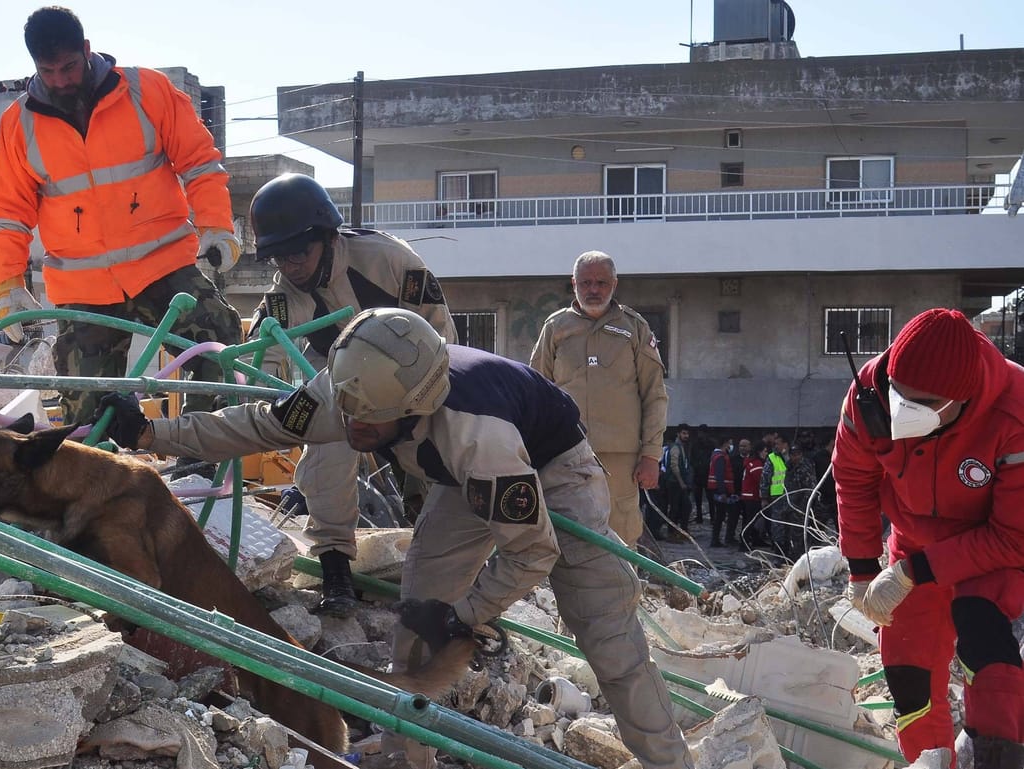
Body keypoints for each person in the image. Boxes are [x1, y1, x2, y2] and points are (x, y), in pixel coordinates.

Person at [105, 308, 692, 769]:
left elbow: (532, 550)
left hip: (553, 469)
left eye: (368, 424)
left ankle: (670, 765)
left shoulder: (475, 435)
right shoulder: (355, 390)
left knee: (606, 633)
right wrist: (153, 431)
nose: (354, 429)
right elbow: (263, 425)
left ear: (414, 408)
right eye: (349, 415)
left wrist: (467, 616)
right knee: (417, 616)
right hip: (462, 484)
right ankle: (405, 758)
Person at [0, 6, 243, 433]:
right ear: (35, 66)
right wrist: (8, 286)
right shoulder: (19, 125)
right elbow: (8, 213)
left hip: (163, 266)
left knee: (217, 342)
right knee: (87, 409)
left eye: (69, 66)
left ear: (86, 51)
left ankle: (199, 452)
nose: (62, 79)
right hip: (83, 289)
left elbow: (199, 162)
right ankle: (98, 486)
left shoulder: (147, 91)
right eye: (49, 71)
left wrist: (216, 224)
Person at [247, 172, 457, 616]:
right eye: (279, 258)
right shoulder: (282, 297)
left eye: (300, 252)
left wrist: (428, 401)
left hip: (412, 383)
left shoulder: (388, 261)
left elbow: (440, 333)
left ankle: (444, 579)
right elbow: (262, 356)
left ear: (326, 236)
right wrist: (269, 397)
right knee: (323, 450)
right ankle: (337, 570)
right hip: (343, 386)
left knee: (433, 470)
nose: (292, 266)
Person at [835, 308, 1024, 768]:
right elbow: (854, 481)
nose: (903, 410)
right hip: (913, 541)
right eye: (901, 395)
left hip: (990, 551)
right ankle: (929, 762)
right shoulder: (870, 395)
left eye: (923, 403)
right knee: (908, 670)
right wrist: (862, 569)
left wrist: (910, 573)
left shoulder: (1014, 413)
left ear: (962, 399)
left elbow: (1014, 537)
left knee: (987, 652)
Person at [529, 250, 668, 548]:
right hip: (564, 453)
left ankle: (623, 594)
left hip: (621, 460)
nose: (593, 290)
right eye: (586, 282)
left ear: (614, 284)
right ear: (574, 283)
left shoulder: (635, 328)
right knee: (568, 533)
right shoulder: (555, 328)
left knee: (621, 537)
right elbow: (535, 393)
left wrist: (652, 455)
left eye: (601, 283)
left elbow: (654, 394)